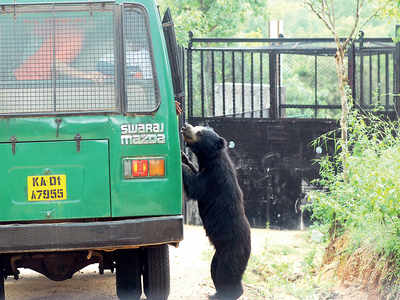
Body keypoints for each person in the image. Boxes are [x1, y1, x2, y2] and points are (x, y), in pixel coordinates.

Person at [14, 23, 107, 82]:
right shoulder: (75, 37)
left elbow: (30, 28)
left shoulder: (62, 25)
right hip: (31, 80)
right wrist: (86, 75)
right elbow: (57, 64)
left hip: (20, 76)